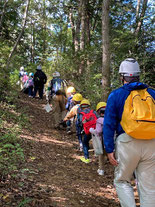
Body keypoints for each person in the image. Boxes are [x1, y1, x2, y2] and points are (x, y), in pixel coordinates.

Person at [103, 58, 155, 207]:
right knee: (149, 186)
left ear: (122, 76)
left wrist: (109, 149)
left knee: (122, 180)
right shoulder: (152, 93)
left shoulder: (116, 95)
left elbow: (109, 124)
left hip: (127, 142)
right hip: (151, 142)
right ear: (138, 75)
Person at [77, 99, 98, 163]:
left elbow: (80, 123)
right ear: (89, 106)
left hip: (87, 131)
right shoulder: (93, 112)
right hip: (95, 130)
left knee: (85, 142)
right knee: (97, 144)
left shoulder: (81, 114)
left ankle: (86, 158)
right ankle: (98, 158)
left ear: (81, 107)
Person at [89, 102, 106, 176]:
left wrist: (92, 130)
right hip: (111, 140)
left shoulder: (99, 120)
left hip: (102, 140)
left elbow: (98, 131)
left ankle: (101, 169)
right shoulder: (111, 119)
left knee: (101, 155)